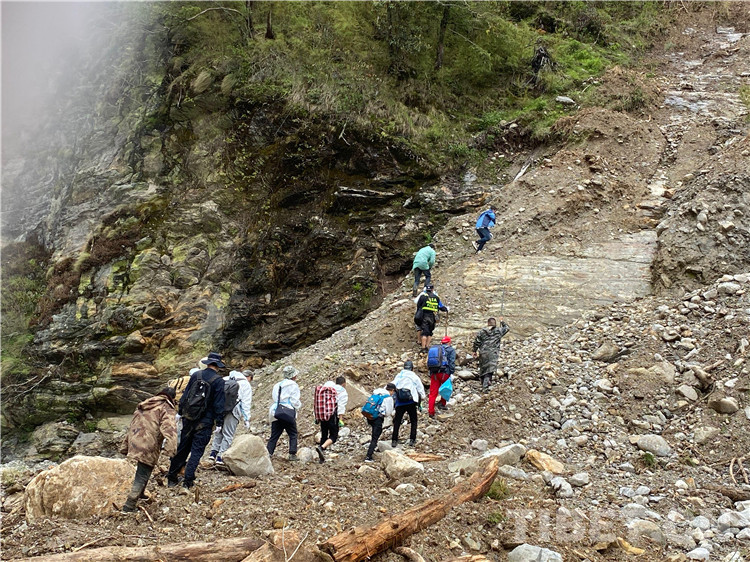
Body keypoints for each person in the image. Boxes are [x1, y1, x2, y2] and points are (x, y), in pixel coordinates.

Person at [167, 352, 226, 489]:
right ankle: (187, 481)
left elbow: (185, 396)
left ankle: (171, 477)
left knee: (183, 448)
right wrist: (219, 422)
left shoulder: (196, 375)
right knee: (196, 451)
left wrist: (180, 412)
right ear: (217, 366)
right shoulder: (218, 381)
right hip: (205, 422)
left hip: (189, 417)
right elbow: (219, 404)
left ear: (207, 363)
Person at [120, 387, 177, 512]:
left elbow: (133, 423)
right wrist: (171, 449)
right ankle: (129, 505)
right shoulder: (166, 407)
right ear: (172, 398)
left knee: (145, 468)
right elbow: (170, 429)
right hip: (148, 442)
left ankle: (141, 493)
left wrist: (126, 444)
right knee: (143, 472)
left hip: (135, 439)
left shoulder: (146, 404)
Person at [209, 369, 253, 466]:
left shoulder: (225, 379)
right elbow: (246, 403)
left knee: (219, 430)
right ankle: (220, 456)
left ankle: (213, 453)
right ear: (249, 377)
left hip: (220, 408)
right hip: (234, 409)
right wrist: (246, 418)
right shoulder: (246, 384)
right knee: (228, 433)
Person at [267, 366, 302, 461]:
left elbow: (275, 398)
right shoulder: (293, 385)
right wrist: (298, 406)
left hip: (276, 411)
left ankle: (269, 453)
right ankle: (292, 454)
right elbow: (294, 400)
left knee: (274, 435)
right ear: (293, 376)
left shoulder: (277, 385)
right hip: (287, 412)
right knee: (293, 433)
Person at [391, 361, 426, 447]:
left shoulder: (399, 375)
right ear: (412, 368)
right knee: (414, 421)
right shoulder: (414, 376)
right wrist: (422, 397)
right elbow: (420, 388)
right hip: (411, 402)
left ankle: (394, 440)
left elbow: (393, 384)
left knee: (397, 421)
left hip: (400, 402)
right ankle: (412, 439)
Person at [314, 376, 347, 463]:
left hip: (323, 415)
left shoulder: (328, 387)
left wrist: (316, 417)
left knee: (324, 434)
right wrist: (340, 419)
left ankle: (321, 459)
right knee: (333, 436)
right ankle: (321, 448)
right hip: (332, 415)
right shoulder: (342, 391)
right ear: (344, 384)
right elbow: (341, 406)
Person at [472, 317, 510, 392]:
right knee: (489, 370)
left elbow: (477, 342)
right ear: (495, 324)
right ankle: (485, 387)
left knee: (483, 368)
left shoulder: (482, 331)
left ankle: (483, 383)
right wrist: (502, 321)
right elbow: (507, 328)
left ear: (488, 323)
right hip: (493, 353)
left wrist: (474, 351)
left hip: (483, 352)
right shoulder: (499, 330)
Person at [364, 382, 396, 462]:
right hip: (378, 418)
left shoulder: (377, 393)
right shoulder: (388, 398)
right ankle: (368, 456)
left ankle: (371, 449)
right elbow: (388, 412)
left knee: (374, 435)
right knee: (375, 437)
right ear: (392, 390)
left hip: (369, 416)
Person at [427, 336, 456, 418]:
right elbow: (452, 362)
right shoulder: (451, 350)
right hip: (445, 373)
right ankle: (442, 404)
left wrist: (431, 373)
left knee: (433, 393)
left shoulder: (435, 349)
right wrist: (451, 372)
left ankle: (431, 411)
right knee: (446, 388)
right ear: (449, 342)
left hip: (434, 373)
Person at [415, 284, 449, 352]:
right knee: (430, 332)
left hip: (424, 316)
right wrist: (446, 309)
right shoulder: (436, 297)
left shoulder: (422, 296)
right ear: (432, 289)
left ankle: (423, 348)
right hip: (432, 317)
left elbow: (418, 306)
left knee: (424, 332)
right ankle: (427, 346)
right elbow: (440, 307)